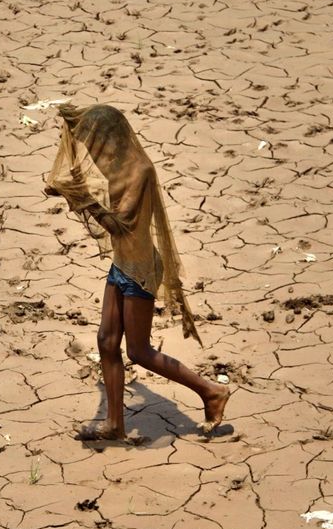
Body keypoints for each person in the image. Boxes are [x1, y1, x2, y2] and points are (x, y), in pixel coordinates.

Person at [44, 103, 230, 440]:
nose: (91, 150)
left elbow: (120, 226)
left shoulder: (139, 171)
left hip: (140, 269)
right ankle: (115, 425)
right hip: (122, 265)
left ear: (110, 137)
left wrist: (79, 197)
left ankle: (211, 392)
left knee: (139, 351)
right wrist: (73, 189)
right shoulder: (116, 167)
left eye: (94, 141)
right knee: (106, 340)